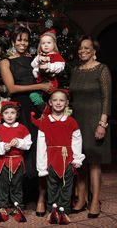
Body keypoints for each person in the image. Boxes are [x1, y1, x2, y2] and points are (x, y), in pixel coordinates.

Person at [0, 26, 53, 216]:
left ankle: (40, 198)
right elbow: (12, 88)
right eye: (19, 39)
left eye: (26, 40)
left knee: (39, 150)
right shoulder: (5, 62)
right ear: (13, 41)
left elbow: (51, 77)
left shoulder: (35, 59)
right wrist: (40, 85)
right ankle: (17, 197)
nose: (23, 43)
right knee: (19, 151)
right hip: (19, 110)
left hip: (37, 108)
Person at [69, 36, 111, 218]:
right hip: (77, 121)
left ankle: (94, 201)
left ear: (94, 51)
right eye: (80, 48)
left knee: (94, 162)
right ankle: (82, 198)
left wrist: (102, 123)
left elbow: (107, 98)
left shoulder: (102, 69)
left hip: (95, 120)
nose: (82, 51)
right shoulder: (76, 70)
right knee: (80, 160)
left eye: (87, 48)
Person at [36, 89, 85, 225]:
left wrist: (76, 158)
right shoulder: (45, 122)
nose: (58, 103)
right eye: (55, 100)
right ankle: (53, 209)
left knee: (67, 185)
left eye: (62, 100)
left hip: (67, 158)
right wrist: (41, 165)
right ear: (50, 103)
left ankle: (65, 210)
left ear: (67, 103)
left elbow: (77, 141)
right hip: (51, 158)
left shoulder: (71, 122)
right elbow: (41, 144)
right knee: (52, 185)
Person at [0, 101, 32, 222]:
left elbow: (28, 143)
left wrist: (19, 142)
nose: (9, 115)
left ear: (17, 114)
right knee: (3, 186)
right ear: (2, 115)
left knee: (17, 185)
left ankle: (17, 207)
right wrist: (4, 147)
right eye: (6, 113)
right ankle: (3, 207)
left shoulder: (22, 128)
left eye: (12, 113)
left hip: (17, 161)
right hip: (3, 161)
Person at [30, 29, 65, 113]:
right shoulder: (40, 55)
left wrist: (49, 66)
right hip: (40, 83)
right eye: (43, 43)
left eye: (49, 43)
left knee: (53, 99)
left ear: (54, 44)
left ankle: (51, 113)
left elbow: (61, 66)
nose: (46, 45)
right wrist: (38, 59)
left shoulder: (56, 56)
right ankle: (44, 109)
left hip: (51, 83)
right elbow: (32, 65)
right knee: (33, 95)